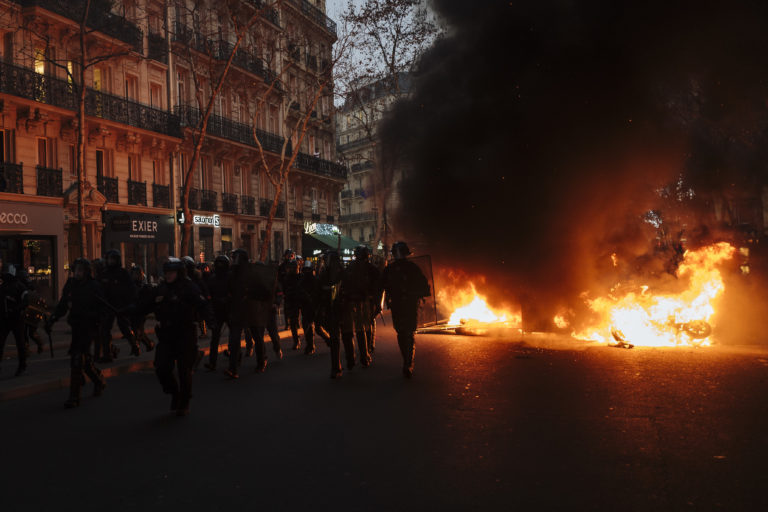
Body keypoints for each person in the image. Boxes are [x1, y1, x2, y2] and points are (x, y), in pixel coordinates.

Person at [136, 257, 212, 416]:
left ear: (179, 272)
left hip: (185, 333)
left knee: (184, 370)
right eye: (167, 272)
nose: (169, 275)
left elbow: (202, 304)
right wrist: (131, 311)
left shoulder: (189, 287)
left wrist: (211, 321)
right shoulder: (161, 288)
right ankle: (174, 392)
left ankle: (184, 402)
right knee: (161, 367)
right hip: (166, 334)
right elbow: (146, 304)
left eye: (172, 272)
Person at [47, 258, 107, 408]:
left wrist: (95, 318)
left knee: (78, 359)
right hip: (76, 326)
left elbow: (103, 308)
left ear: (86, 271)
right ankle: (98, 380)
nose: (77, 273)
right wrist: (53, 319)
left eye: (80, 270)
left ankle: (74, 397)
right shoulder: (71, 285)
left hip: (90, 327)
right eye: (76, 270)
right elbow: (62, 305)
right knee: (83, 360)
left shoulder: (94, 286)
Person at [380, 242, 431, 378]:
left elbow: (424, 285)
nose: (398, 255)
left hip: (409, 304)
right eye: (396, 252)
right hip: (397, 305)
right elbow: (382, 286)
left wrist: (414, 294)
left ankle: (408, 363)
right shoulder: (389, 269)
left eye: (399, 252)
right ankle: (406, 360)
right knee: (401, 333)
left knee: (408, 333)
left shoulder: (412, 268)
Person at [339, 245, 381, 368]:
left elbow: (343, 285)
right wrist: (376, 303)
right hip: (363, 303)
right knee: (361, 330)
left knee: (348, 332)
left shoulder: (350, 267)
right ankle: (364, 356)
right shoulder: (371, 269)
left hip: (349, 302)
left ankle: (351, 359)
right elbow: (377, 287)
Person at [98, 249, 140, 361]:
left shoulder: (123, 273)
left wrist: (130, 303)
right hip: (108, 305)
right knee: (105, 329)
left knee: (124, 327)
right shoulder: (104, 273)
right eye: (109, 259)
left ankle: (134, 345)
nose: (111, 261)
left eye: (113, 259)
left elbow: (131, 288)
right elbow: (98, 288)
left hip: (121, 305)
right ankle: (107, 354)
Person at [318, 251, 344, 378]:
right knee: (334, 338)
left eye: (326, 259)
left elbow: (339, 290)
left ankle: (338, 366)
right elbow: (320, 288)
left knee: (340, 337)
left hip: (339, 308)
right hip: (329, 309)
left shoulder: (341, 272)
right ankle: (336, 366)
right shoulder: (325, 272)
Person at [0, 264, 29, 376]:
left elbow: (25, 301)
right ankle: (22, 364)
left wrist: (16, 309)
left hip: (16, 319)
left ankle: (22, 365)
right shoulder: (2, 287)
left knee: (20, 343)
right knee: (1, 343)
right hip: (4, 319)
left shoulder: (19, 286)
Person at [204, 255, 231, 371]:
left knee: (217, 338)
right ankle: (214, 362)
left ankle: (213, 362)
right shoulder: (215, 279)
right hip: (221, 311)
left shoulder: (218, 278)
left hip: (225, 310)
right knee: (218, 338)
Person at [129, 265, 155, 353]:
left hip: (140, 312)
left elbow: (147, 300)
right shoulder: (131, 286)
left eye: (137, 274)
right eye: (133, 274)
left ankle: (139, 346)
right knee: (136, 330)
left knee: (138, 330)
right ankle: (145, 344)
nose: (135, 276)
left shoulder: (144, 287)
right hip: (132, 311)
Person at [298, 259, 319, 355]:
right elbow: (299, 291)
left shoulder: (315, 280)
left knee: (318, 327)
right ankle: (310, 345)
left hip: (314, 306)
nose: (306, 271)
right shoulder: (302, 280)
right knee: (307, 325)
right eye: (305, 270)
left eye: (308, 270)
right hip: (305, 306)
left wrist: (313, 299)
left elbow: (318, 292)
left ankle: (328, 340)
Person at [282, 260, 302, 351]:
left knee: (306, 323)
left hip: (301, 300)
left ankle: (309, 342)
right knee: (293, 323)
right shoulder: (287, 278)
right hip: (292, 301)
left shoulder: (301, 277)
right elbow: (284, 289)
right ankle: (296, 340)